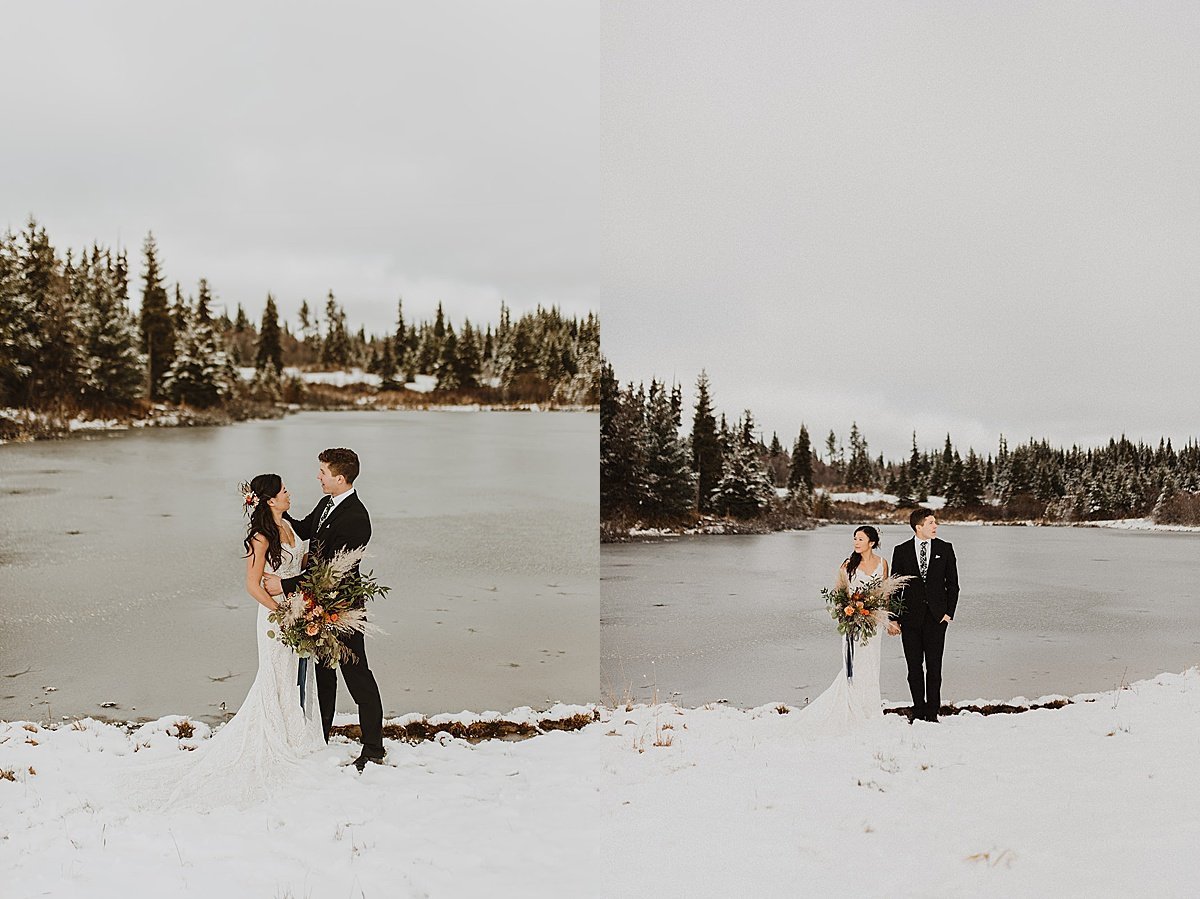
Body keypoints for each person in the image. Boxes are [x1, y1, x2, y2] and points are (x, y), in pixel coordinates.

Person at [125, 474, 326, 811]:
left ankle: (299, 734)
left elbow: (297, 566)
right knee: (276, 676)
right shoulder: (261, 538)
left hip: (297, 609)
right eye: (284, 491)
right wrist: (283, 612)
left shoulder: (290, 525)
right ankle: (278, 737)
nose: (290, 493)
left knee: (296, 674)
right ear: (271, 500)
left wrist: (304, 594)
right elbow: (252, 585)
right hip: (275, 620)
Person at [264, 447, 386, 771]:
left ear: (340, 478)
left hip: (343, 610)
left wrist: (284, 586)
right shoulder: (328, 503)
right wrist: (271, 509)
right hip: (317, 607)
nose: (317, 476)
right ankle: (321, 737)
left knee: (357, 676)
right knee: (323, 676)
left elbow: (332, 573)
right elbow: (304, 529)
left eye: (323, 472)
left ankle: (374, 748)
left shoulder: (357, 519)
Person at [795, 525, 898, 734]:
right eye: (854, 539)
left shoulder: (882, 563)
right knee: (854, 664)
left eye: (860, 539)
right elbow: (839, 592)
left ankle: (869, 707)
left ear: (872, 542)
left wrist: (888, 620)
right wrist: (848, 611)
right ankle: (850, 705)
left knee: (871, 663)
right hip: (853, 622)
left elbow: (885, 595)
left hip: (874, 622)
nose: (856, 542)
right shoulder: (848, 564)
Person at [890, 508, 959, 723]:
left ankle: (932, 712)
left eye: (935, 522)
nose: (935, 526)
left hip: (937, 619)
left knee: (934, 668)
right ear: (918, 527)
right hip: (909, 619)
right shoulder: (901, 551)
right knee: (914, 668)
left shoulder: (945, 548)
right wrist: (893, 617)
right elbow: (894, 587)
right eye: (931, 523)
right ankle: (918, 709)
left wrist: (948, 614)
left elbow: (953, 585)